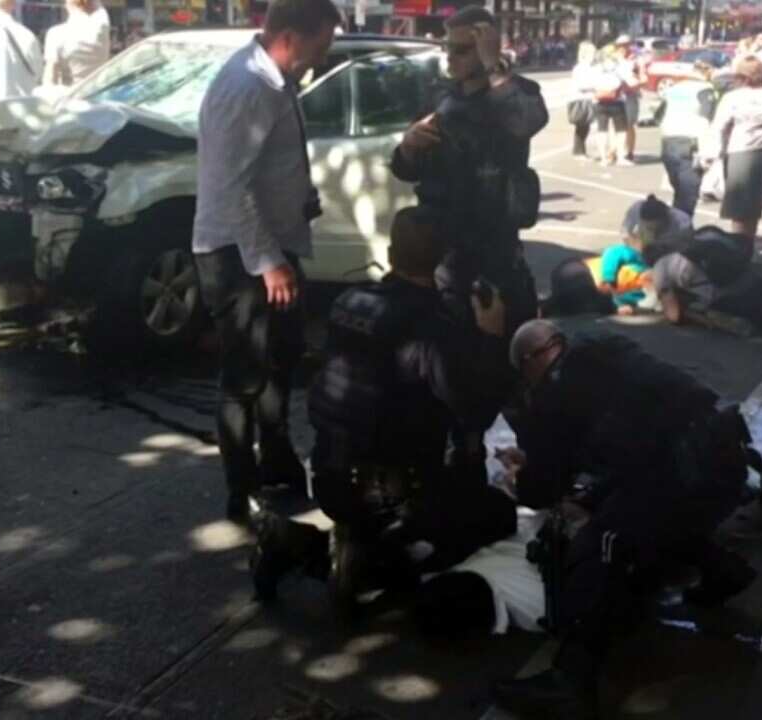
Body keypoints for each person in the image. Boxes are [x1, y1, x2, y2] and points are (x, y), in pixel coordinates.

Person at [251, 206, 518, 612]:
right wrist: (492, 338)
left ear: (391, 253)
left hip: (328, 472)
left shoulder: (348, 301)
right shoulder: (431, 326)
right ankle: (363, 560)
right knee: (497, 516)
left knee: (398, 521)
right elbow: (476, 410)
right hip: (397, 489)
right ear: (442, 258)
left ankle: (301, 543)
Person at [490, 320, 757, 717]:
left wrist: (518, 477)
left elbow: (543, 488)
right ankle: (724, 570)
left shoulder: (557, 390)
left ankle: (571, 680)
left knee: (600, 544)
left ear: (533, 360)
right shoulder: (605, 345)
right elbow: (627, 445)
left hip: (689, 470)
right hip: (724, 457)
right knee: (640, 507)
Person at [193, 0, 341, 522]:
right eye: (320, 45)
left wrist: (297, 200)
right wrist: (267, 262)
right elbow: (230, 188)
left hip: (271, 248)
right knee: (244, 379)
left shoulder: (276, 80)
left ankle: (278, 472)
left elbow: (263, 168)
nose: (321, 58)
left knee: (279, 366)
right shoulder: (247, 87)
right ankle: (242, 491)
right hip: (240, 259)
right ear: (290, 36)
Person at [392, 6, 547, 480]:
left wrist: (497, 66)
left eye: (464, 49)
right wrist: (408, 146)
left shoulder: (515, 93)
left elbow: (525, 122)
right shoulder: (439, 97)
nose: (453, 58)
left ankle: (541, 458)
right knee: (448, 360)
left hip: (494, 249)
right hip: (443, 252)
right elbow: (404, 169)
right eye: (449, 48)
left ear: (487, 48)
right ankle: (461, 449)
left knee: (508, 360)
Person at [709, 57, 762, 238]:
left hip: (739, 150)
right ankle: (748, 242)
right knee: (753, 200)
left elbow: (719, 126)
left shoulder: (733, 98)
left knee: (738, 204)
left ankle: (739, 245)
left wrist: (712, 153)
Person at [658, 61, 718, 217]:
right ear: (708, 72)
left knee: (678, 188)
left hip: (669, 139)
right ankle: (680, 230)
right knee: (688, 194)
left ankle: (676, 226)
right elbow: (706, 119)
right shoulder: (705, 89)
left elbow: (658, 115)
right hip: (691, 141)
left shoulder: (674, 88)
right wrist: (707, 151)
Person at [43, 0, 111, 87]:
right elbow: (98, 8)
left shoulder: (56, 34)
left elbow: (50, 78)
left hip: (71, 96)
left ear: (68, 4)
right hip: (96, 93)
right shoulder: (102, 30)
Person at [586, 44, 630, 166]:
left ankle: (603, 158)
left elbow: (590, 83)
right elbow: (628, 80)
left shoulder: (596, 67)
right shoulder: (619, 66)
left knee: (601, 130)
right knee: (620, 130)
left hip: (600, 101)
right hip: (617, 100)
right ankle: (620, 157)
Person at [613, 35, 643, 165]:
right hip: (616, 95)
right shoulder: (613, 59)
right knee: (615, 125)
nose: (623, 48)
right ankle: (614, 151)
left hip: (630, 95)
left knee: (629, 124)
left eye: (626, 45)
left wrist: (636, 82)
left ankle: (630, 152)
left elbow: (642, 77)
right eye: (620, 45)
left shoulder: (636, 59)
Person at [568, 40, 597, 157]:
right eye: (592, 53)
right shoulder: (580, 68)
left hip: (588, 99)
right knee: (581, 126)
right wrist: (595, 85)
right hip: (580, 100)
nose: (594, 55)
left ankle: (581, 150)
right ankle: (578, 151)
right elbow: (581, 85)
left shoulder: (590, 67)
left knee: (586, 126)